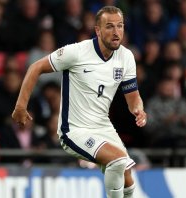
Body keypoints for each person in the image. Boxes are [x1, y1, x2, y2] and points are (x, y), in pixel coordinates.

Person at [12, 6, 147, 198]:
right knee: (117, 161)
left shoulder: (126, 57)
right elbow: (35, 67)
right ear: (98, 30)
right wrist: (20, 105)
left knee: (126, 175)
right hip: (75, 130)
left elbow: (133, 96)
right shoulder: (77, 52)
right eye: (109, 27)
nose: (116, 32)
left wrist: (138, 110)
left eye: (120, 26)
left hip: (103, 127)